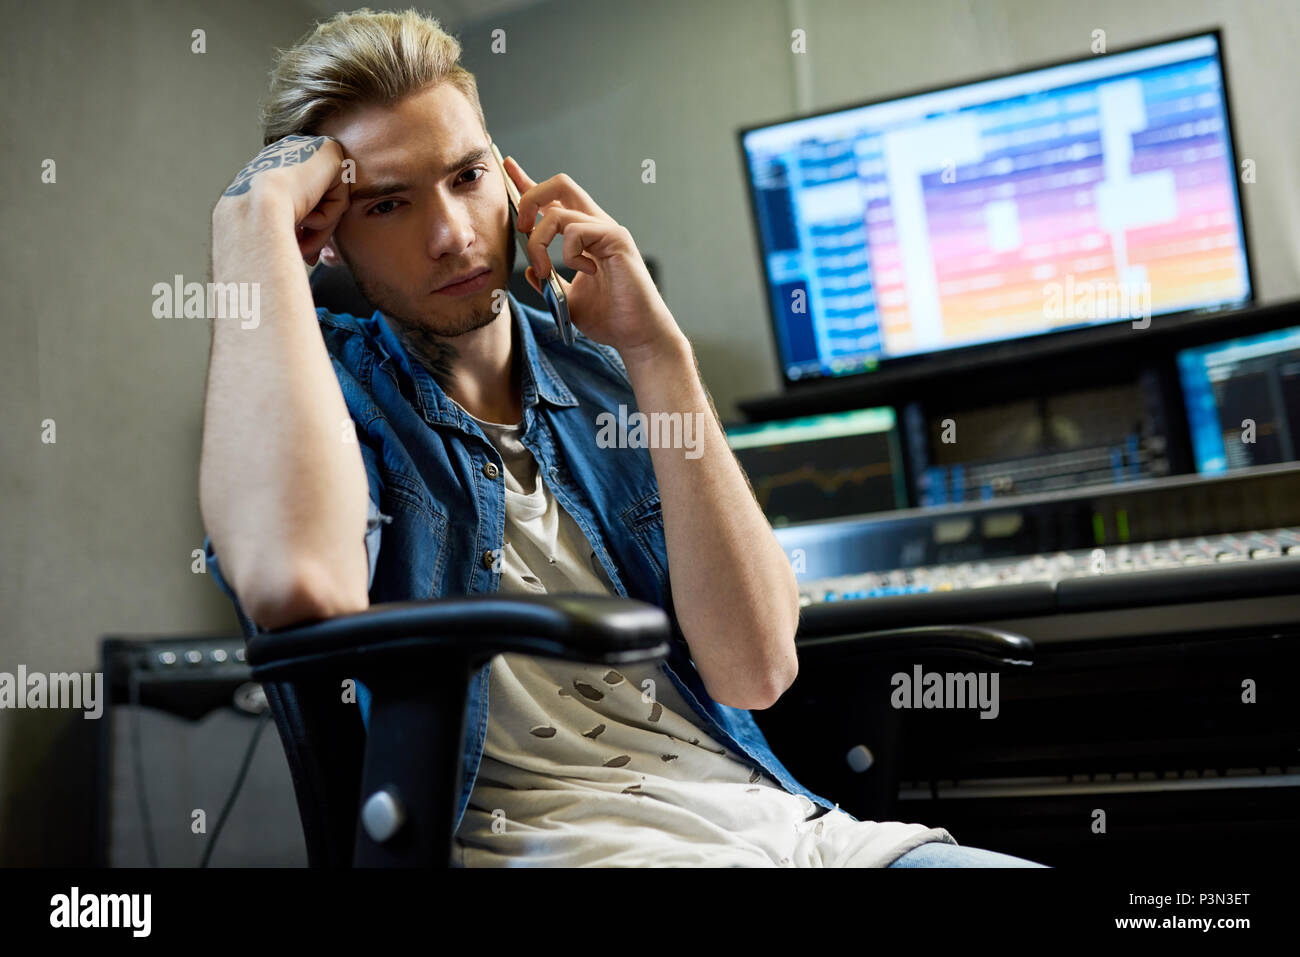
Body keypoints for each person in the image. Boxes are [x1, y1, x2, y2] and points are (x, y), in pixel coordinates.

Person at [199, 7, 1044, 869]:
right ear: (329, 236)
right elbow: (292, 579)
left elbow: (756, 669)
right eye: (387, 204)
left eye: (467, 176)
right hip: (569, 849)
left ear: (509, 174)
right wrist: (253, 222)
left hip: (790, 830)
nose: (451, 233)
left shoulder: (610, 374)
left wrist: (658, 349)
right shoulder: (332, 397)